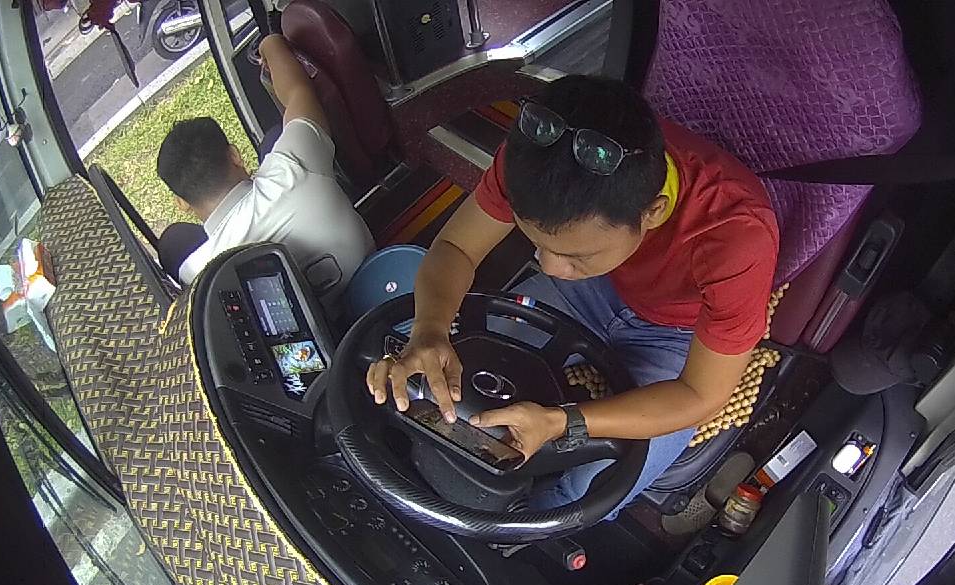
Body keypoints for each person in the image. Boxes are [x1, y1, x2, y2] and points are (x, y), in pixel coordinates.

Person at [366, 74, 779, 517]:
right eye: (535, 243)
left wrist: (564, 422)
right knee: (456, 377)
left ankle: (516, 530)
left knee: (589, 491)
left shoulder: (736, 237)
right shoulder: (537, 162)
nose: (547, 267)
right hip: (594, 288)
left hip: (678, 334)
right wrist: (429, 330)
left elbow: (699, 393)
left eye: (575, 255)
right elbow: (456, 247)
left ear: (654, 212)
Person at [154, 34, 371, 303]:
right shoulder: (292, 166)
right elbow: (299, 92)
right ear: (235, 156)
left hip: (334, 326)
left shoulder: (199, 274)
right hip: (380, 279)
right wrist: (270, 43)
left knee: (173, 240)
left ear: (182, 203)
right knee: (273, 138)